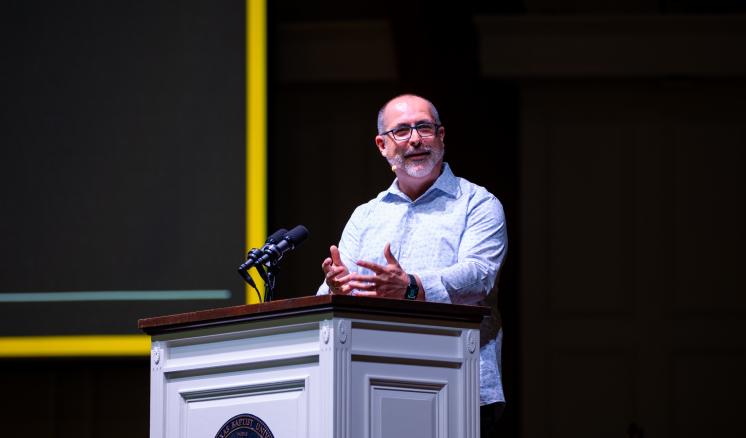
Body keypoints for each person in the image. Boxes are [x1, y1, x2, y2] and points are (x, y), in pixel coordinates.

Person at [316, 94, 508, 433]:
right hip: (371, 387)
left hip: (458, 385)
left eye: (424, 127)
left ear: (441, 136)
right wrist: (336, 290)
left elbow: (479, 275)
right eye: (401, 131)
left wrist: (413, 287)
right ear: (382, 145)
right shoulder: (366, 216)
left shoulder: (477, 203)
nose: (415, 138)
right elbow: (326, 295)